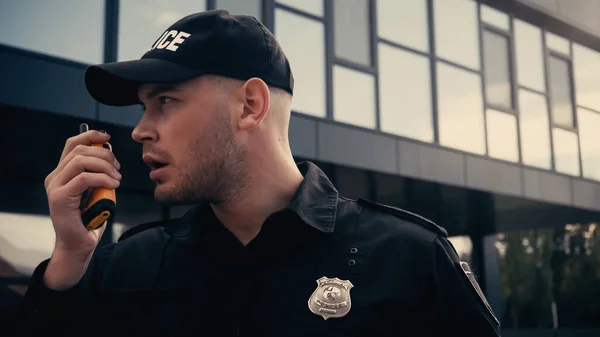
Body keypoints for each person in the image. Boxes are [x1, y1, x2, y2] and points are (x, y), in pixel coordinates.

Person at [9, 9, 500, 337]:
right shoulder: (124, 267)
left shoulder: (412, 260)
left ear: (250, 105)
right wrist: (68, 262)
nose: (139, 131)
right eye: (143, 108)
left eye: (165, 102)